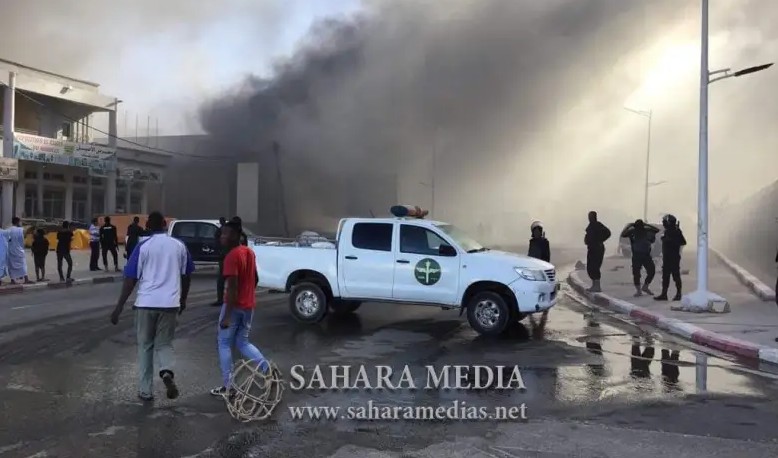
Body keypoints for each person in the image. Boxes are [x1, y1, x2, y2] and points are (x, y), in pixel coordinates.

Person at [110, 211, 194, 402]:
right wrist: (183, 299)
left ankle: (145, 390)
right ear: (165, 224)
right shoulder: (179, 246)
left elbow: (130, 279)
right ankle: (166, 371)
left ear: (147, 226)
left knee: (145, 346)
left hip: (146, 303)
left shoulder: (143, 247)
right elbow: (187, 275)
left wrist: (119, 307)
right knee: (164, 343)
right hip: (170, 304)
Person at [210, 221, 269, 397]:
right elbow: (255, 278)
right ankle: (267, 370)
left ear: (236, 235)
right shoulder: (249, 252)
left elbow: (232, 288)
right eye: (221, 233)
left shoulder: (231, 257)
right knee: (243, 342)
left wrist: (227, 316)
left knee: (224, 343)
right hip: (248, 306)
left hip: (234, 307)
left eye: (226, 234)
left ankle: (229, 387)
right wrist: (248, 293)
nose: (222, 237)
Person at [620, 219, 656, 297]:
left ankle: (645, 287)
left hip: (646, 254)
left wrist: (647, 225)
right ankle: (639, 290)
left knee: (651, 271)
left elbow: (656, 230)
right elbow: (623, 234)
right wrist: (630, 227)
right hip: (637, 255)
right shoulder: (632, 232)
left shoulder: (646, 231)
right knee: (636, 273)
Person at [654, 214, 686, 301]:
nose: (663, 223)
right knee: (665, 276)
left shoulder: (675, 231)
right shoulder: (668, 231)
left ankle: (678, 294)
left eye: (664, 222)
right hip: (667, 257)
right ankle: (664, 294)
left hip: (673, 257)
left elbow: (683, 242)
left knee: (675, 276)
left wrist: (671, 239)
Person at [584, 211, 611, 292]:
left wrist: (600, 240)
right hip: (592, 248)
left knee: (595, 267)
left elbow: (608, 233)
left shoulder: (598, 225)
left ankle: (597, 286)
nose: (589, 218)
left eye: (591, 216)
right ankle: (594, 285)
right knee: (590, 267)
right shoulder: (591, 226)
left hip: (597, 248)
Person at [8, 217, 33, 285]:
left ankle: (12, 280)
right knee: (23, 265)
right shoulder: (20, 230)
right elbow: (24, 235)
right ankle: (26, 279)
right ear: (17, 222)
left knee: (11, 266)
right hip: (19, 250)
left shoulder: (8, 230)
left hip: (10, 250)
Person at [212, 217, 227, 307]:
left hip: (224, 257)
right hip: (229, 256)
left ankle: (220, 299)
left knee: (221, 280)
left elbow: (216, 242)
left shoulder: (220, 231)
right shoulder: (232, 231)